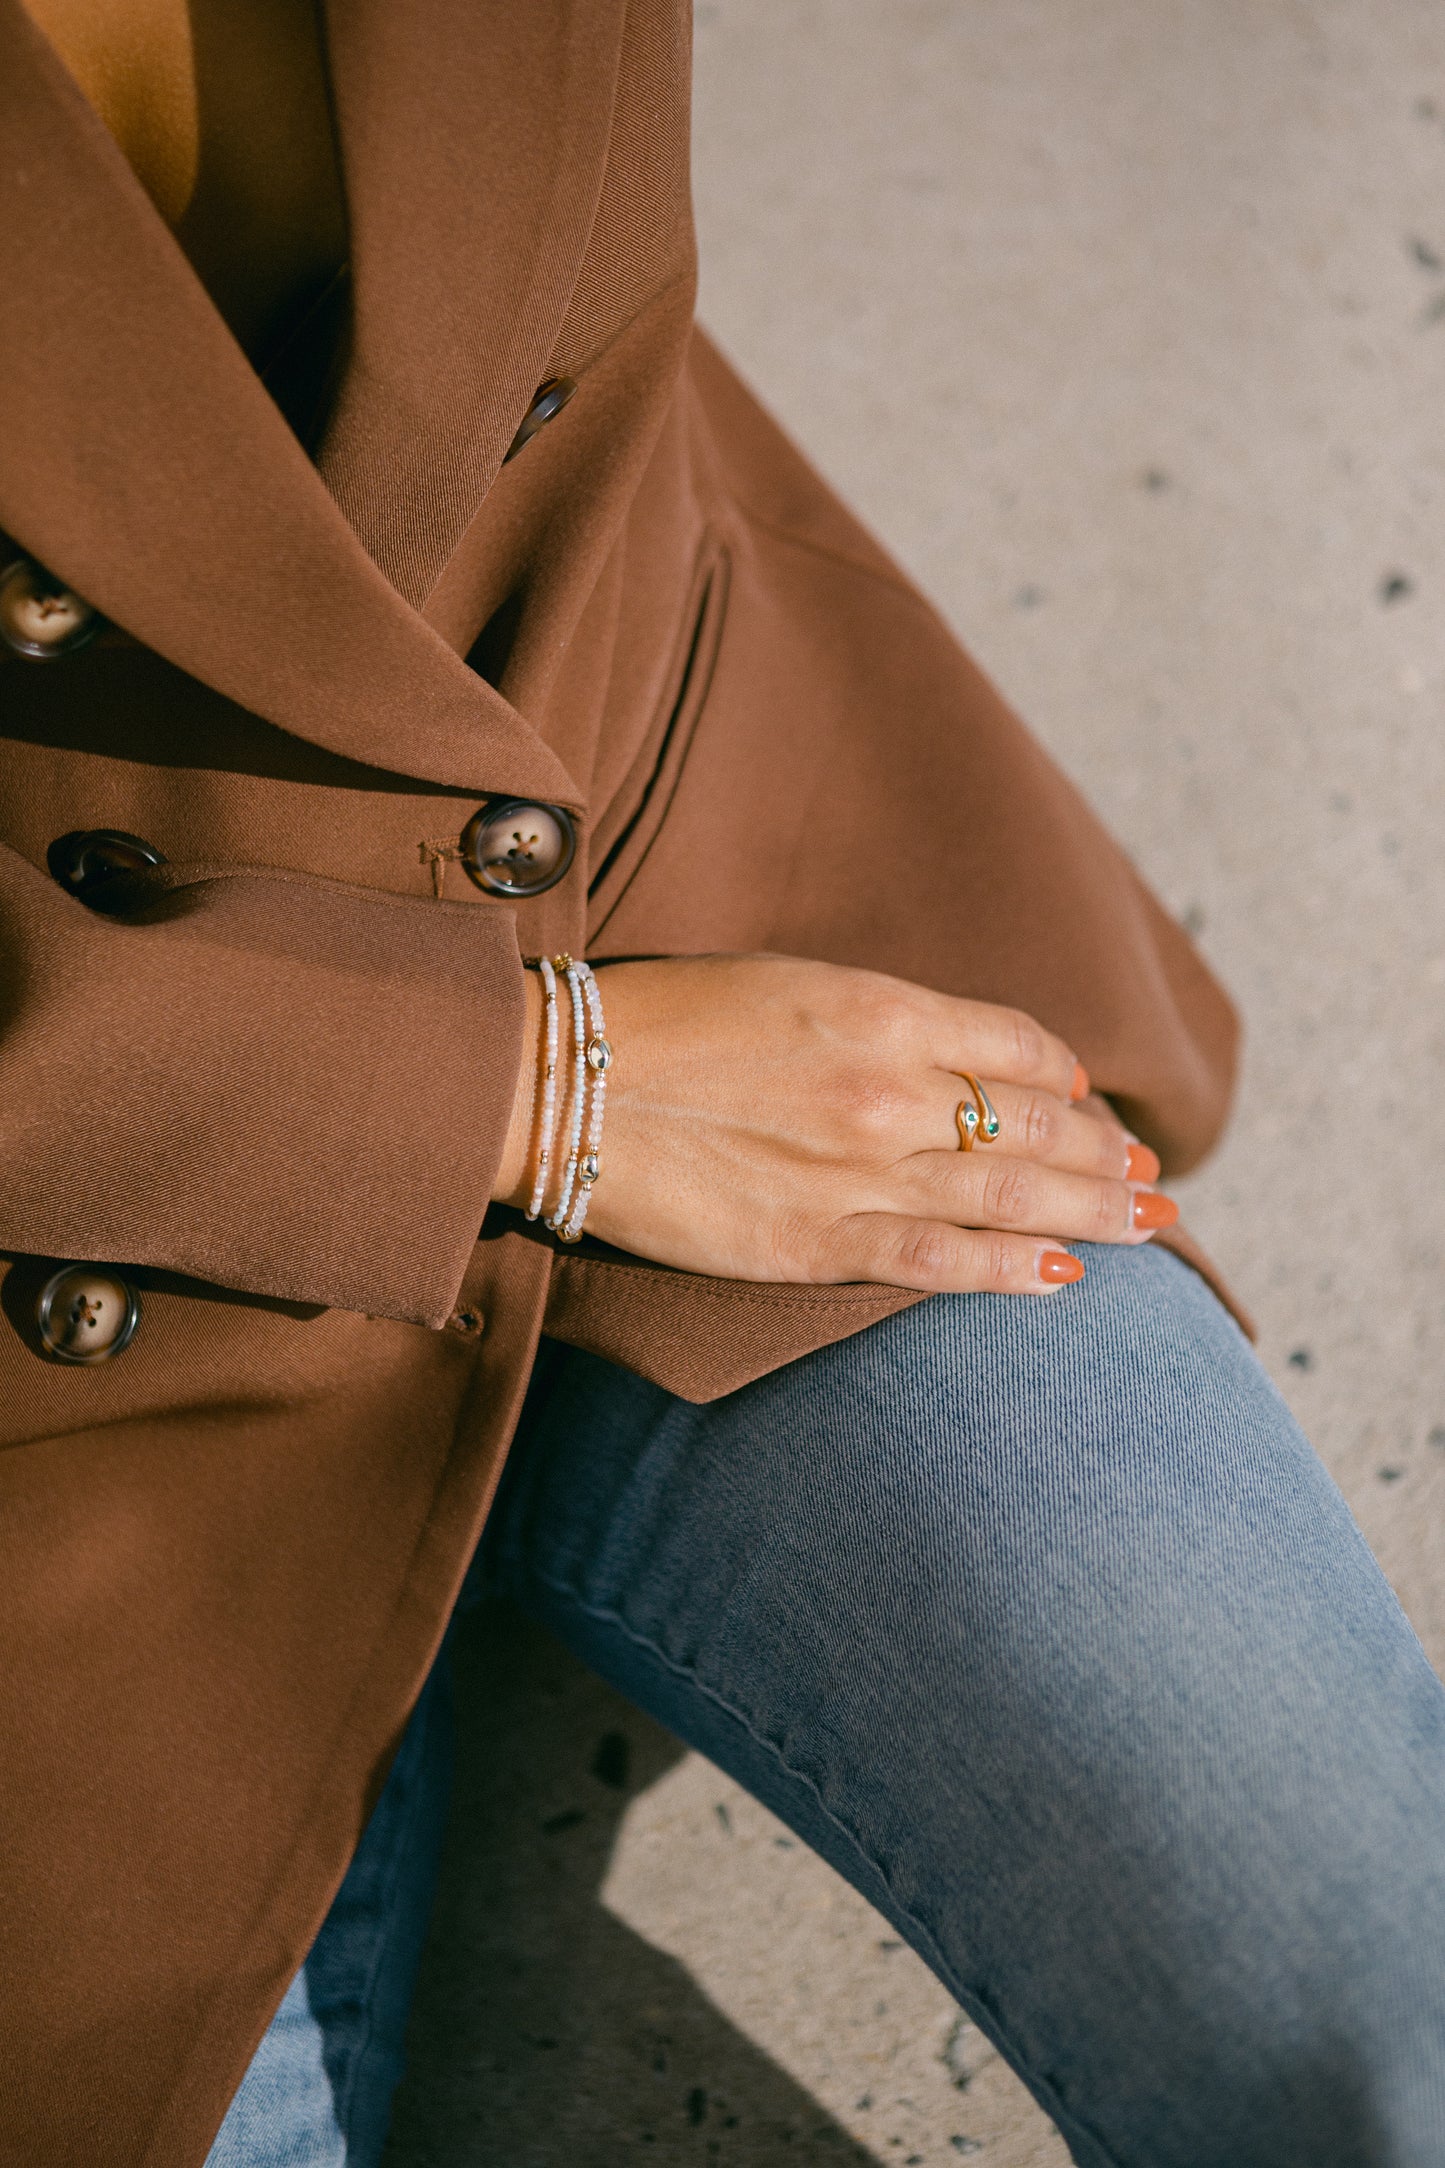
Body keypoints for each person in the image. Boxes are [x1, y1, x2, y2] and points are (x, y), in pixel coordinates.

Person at [3, 3, 1445, 2164]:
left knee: (1382, 2005)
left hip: (657, 890)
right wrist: (524, 1095)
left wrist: (598, 1042)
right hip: (65, 1366)